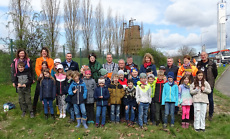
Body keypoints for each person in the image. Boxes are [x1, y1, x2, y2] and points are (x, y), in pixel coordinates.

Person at [197, 52, 218, 121]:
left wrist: (211, 80)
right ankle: (204, 113)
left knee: (210, 100)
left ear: (207, 56)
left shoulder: (212, 64)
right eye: (202, 55)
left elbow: (215, 74)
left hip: (209, 84)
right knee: (202, 100)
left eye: (204, 55)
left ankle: (210, 114)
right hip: (201, 84)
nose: (203, 56)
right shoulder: (199, 64)